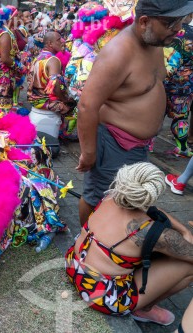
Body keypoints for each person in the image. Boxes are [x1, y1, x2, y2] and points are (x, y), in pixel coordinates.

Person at [76, 0, 193, 226]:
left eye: (180, 21)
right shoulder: (118, 52)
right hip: (112, 144)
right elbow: (86, 106)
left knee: (126, 202)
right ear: (144, 21)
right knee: (99, 199)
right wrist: (89, 153)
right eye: (171, 23)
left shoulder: (155, 43)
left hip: (137, 145)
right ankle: (84, 244)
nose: (178, 28)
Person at [66, 162, 193, 325]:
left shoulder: (110, 195)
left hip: (74, 264)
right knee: (189, 267)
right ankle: (144, 309)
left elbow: (152, 209)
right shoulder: (153, 232)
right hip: (103, 297)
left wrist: (184, 231)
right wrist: (184, 236)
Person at [163, 13, 193, 157]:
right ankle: (182, 148)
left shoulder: (168, 30)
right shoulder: (192, 34)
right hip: (184, 86)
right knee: (180, 118)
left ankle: (146, 146)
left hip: (162, 82)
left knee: (155, 115)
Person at [0, 6, 26, 111]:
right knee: (3, 106)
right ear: (10, 18)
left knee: (3, 105)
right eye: (17, 16)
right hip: (4, 76)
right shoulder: (5, 34)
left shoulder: (3, 31)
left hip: (4, 74)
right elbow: (5, 59)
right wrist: (20, 67)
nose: (19, 19)